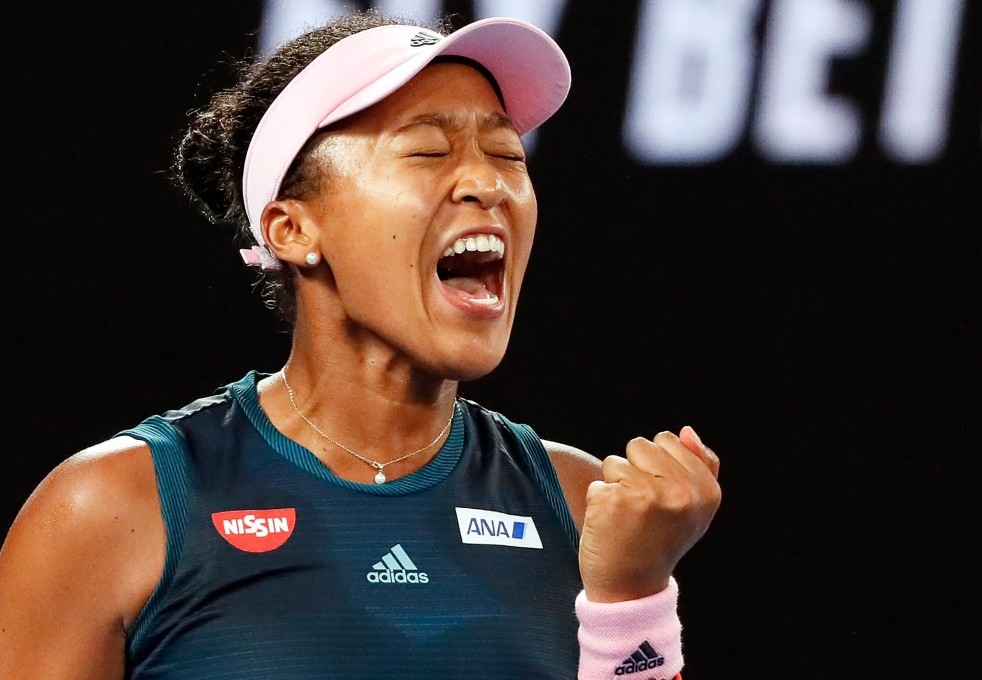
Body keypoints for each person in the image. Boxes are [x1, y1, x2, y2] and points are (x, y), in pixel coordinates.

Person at [0, 10, 721, 679]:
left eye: (507, 153)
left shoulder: (582, 503)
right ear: (292, 230)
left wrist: (632, 598)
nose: (488, 183)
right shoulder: (112, 508)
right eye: (428, 151)